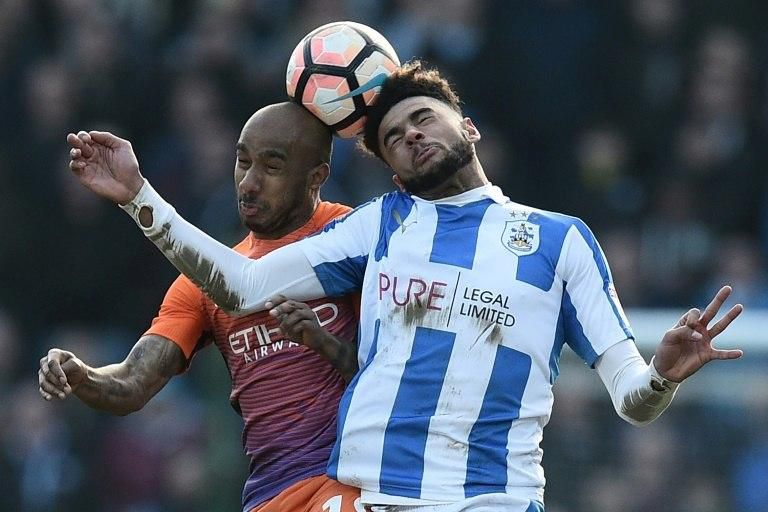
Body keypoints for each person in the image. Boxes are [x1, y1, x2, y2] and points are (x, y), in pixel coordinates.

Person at [63, 61, 744, 512]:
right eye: (393, 136)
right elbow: (241, 287)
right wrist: (138, 195)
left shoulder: (561, 240)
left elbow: (631, 398)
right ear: (392, 170)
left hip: (497, 500)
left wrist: (662, 375)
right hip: (379, 499)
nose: (411, 134)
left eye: (424, 119)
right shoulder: (379, 226)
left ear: (467, 128)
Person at [39, 102, 363, 512]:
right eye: (242, 162)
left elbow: (395, 371)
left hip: (353, 481)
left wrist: (323, 342)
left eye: (272, 167)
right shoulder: (205, 279)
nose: (249, 182)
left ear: (316, 176)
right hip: (273, 494)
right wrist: (82, 376)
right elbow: (132, 384)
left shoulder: (354, 239)